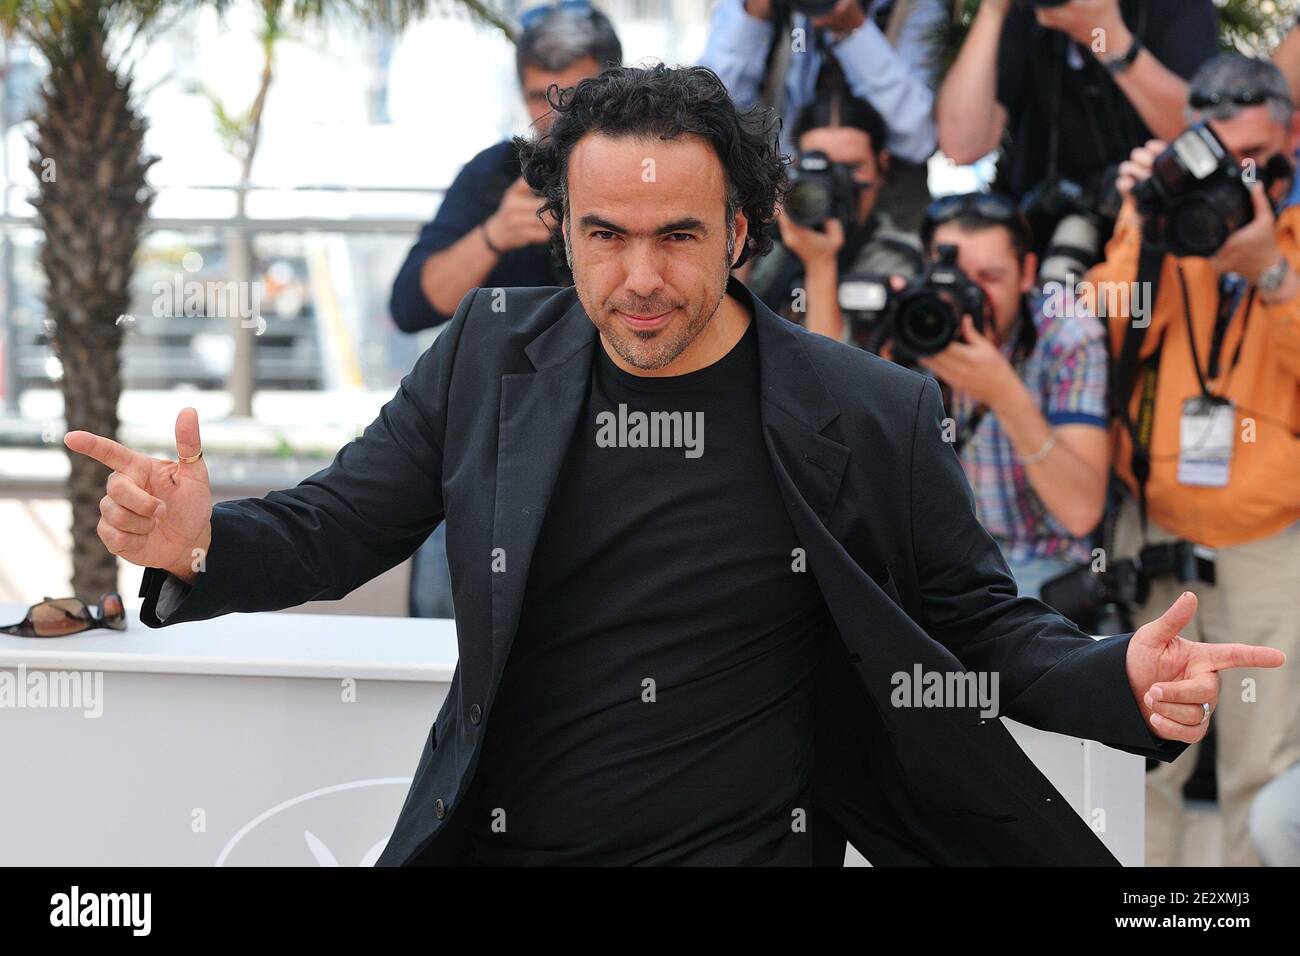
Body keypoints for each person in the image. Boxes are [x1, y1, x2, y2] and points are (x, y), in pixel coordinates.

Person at [67, 65, 1283, 867]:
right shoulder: (490, 357)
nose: (637, 275)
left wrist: (1108, 681)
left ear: (742, 233)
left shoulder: (870, 410)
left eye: (675, 236)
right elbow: (339, 523)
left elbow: (970, 624)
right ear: (564, 229)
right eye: (603, 235)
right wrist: (202, 541)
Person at [1085, 54, 1300, 866]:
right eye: (1224, 163)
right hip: (1158, 532)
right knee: (1143, 757)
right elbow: (1098, 341)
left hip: (1270, 543)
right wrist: (1144, 222)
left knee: (1262, 765)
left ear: (1292, 140)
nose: (1242, 189)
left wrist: (1271, 277)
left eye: (1263, 166)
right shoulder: (1166, 235)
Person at [389, 2, 623, 619]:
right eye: (541, 99)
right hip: (487, 450)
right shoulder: (498, 172)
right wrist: (496, 232)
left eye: (578, 97)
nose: (557, 118)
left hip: (615, 446)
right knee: (441, 631)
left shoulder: (643, 179)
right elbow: (411, 303)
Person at [906, 193, 1109, 600]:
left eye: (989, 277)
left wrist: (1003, 392)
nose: (969, 295)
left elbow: (1081, 511)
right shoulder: (909, 318)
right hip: (928, 563)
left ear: (1027, 272)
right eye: (953, 275)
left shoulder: (1066, 333)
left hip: (1037, 563)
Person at [937, 0, 1218, 256]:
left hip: (1150, 244)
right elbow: (961, 146)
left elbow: (1204, 138)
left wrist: (1105, 36)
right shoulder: (1024, 14)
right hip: (1040, 243)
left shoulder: (1175, 8)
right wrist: (992, 11)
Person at [701, 0, 947, 231]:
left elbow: (918, 139)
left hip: (884, 227)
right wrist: (753, 16)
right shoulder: (750, 6)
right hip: (778, 217)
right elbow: (709, 114)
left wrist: (853, 30)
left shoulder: (913, 7)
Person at [746, 82, 923, 342]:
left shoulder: (896, 255)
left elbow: (837, 377)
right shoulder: (771, 235)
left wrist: (820, 263)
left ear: (881, 166)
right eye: (821, 169)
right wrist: (746, 233)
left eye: (852, 168)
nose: (835, 185)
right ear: (795, 165)